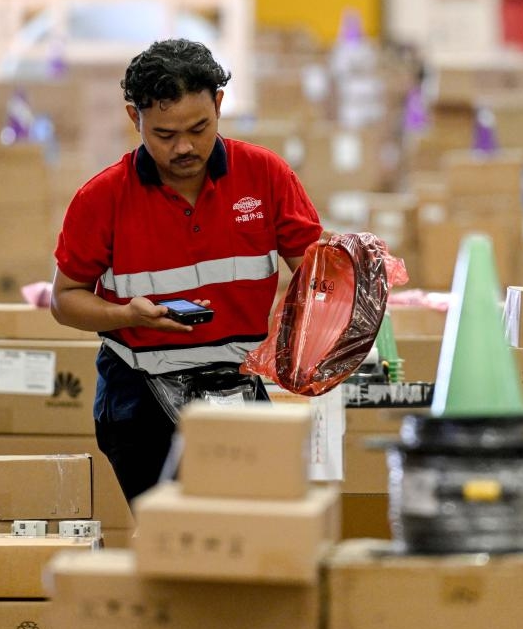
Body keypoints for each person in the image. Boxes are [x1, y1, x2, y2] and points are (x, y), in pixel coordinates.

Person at [51, 39, 325, 504]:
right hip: (139, 393)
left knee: (256, 526)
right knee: (176, 533)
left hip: (239, 382)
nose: (184, 147)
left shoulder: (265, 176)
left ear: (218, 104)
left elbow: (316, 275)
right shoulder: (101, 199)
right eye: (164, 134)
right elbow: (64, 300)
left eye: (199, 128)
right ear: (134, 118)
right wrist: (127, 316)